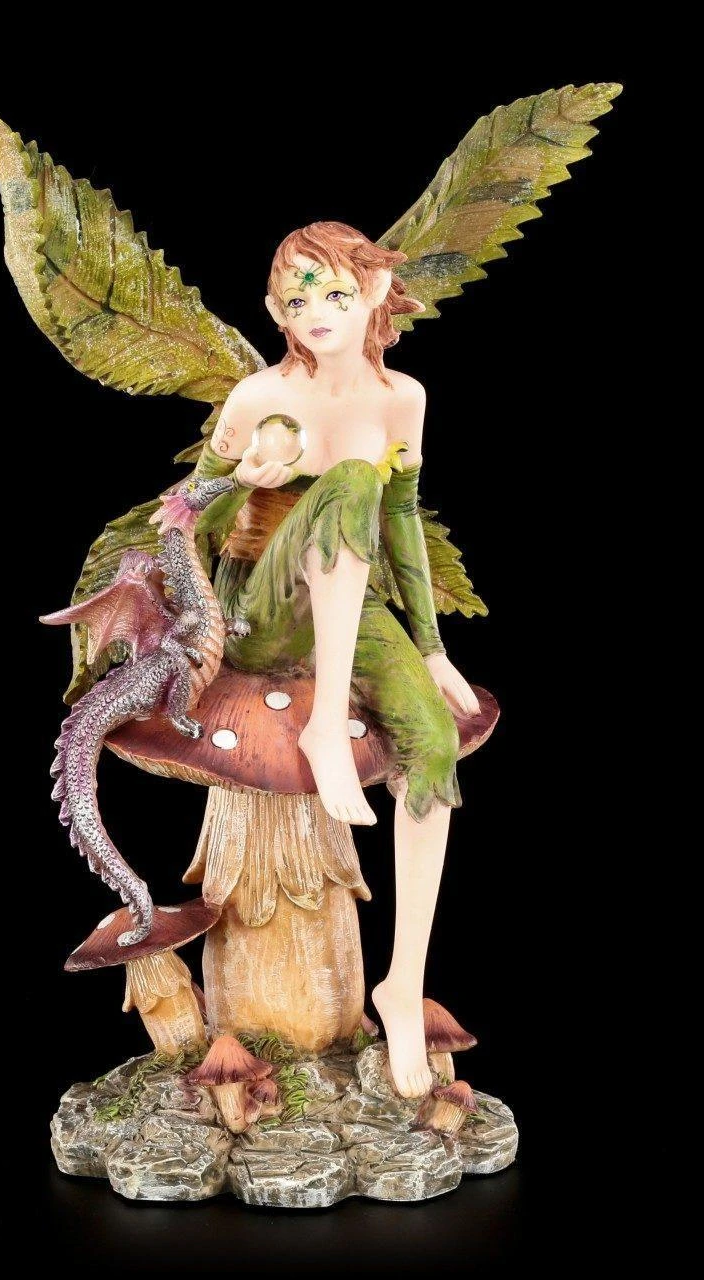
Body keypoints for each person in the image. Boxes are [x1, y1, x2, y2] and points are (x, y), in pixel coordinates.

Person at [179, 220, 482, 1098]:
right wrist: (240, 482)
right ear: (275, 311)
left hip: (353, 606)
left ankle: (401, 984)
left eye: (336, 292)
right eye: (298, 297)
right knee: (350, 480)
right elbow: (186, 513)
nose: (316, 311)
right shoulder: (257, 395)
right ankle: (322, 728)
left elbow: (401, 520)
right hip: (262, 610)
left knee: (433, 744)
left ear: (374, 296)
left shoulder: (402, 399)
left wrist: (431, 647)